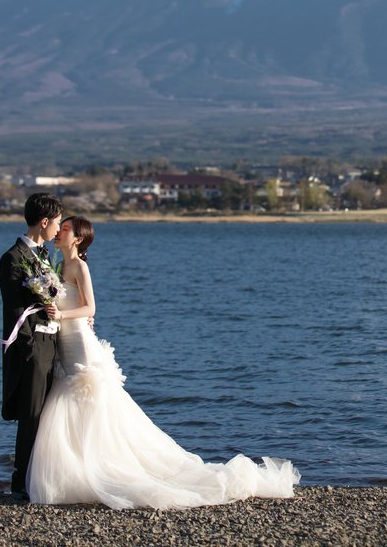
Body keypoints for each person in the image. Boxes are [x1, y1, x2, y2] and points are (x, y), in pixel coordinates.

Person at [25, 215, 299, 509]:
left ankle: (102, 466)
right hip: (64, 342)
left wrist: (62, 315)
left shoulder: (80, 266)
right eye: (61, 227)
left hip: (79, 343)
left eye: (65, 229)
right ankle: (76, 468)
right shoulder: (57, 266)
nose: (60, 232)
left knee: (91, 402)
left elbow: (91, 306)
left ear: (77, 238)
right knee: (72, 403)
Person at [0, 193, 66, 501]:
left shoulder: (45, 256)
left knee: (48, 415)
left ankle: (39, 477)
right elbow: (15, 311)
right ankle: (21, 482)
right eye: (57, 222)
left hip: (52, 343)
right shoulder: (12, 258)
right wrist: (30, 350)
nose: (59, 229)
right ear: (44, 221)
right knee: (31, 415)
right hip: (33, 348)